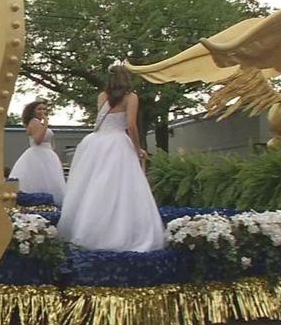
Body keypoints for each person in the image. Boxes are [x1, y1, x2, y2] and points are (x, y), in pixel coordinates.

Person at [58, 66, 164, 252]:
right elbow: (131, 125)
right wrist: (138, 149)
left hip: (97, 143)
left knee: (94, 187)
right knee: (123, 188)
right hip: (118, 143)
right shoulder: (131, 97)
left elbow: (99, 122)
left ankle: (88, 229)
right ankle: (122, 232)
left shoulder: (102, 96)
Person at [8, 101, 66, 205]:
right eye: (39, 109)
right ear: (32, 111)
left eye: (44, 109)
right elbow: (38, 140)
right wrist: (46, 123)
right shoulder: (34, 121)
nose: (42, 111)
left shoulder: (39, 123)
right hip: (39, 154)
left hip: (48, 154)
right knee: (41, 178)